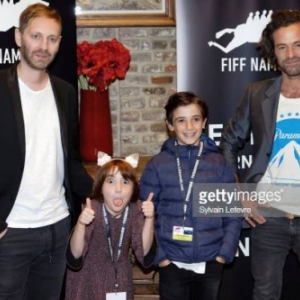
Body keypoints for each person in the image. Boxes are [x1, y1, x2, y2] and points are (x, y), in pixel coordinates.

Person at [0, 3, 93, 300]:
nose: (43, 46)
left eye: (52, 39)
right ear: (18, 37)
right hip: (10, 232)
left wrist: (107, 191)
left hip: (57, 229)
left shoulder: (65, 92)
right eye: (36, 36)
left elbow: (71, 162)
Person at [219, 9, 300, 300]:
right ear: (272, 51)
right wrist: (240, 194)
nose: (291, 54)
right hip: (269, 216)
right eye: (282, 46)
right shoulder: (257, 93)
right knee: (265, 293)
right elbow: (228, 141)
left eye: (297, 44)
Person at [139, 91, 242, 300]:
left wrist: (223, 254)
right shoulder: (157, 165)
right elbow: (144, 215)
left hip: (211, 262)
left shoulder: (219, 164)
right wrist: (161, 258)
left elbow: (232, 214)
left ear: (204, 122)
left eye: (195, 119)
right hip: (172, 262)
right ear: (170, 125)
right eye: (181, 120)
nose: (189, 127)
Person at [65, 154, 156, 300]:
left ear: (133, 188)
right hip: (87, 281)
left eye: (125, 182)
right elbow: (75, 255)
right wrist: (81, 224)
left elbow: (144, 252)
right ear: (100, 187)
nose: (118, 189)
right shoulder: (92, 209)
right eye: (111, 181)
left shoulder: (135, 209)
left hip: (120, 280)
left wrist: (149, 219)